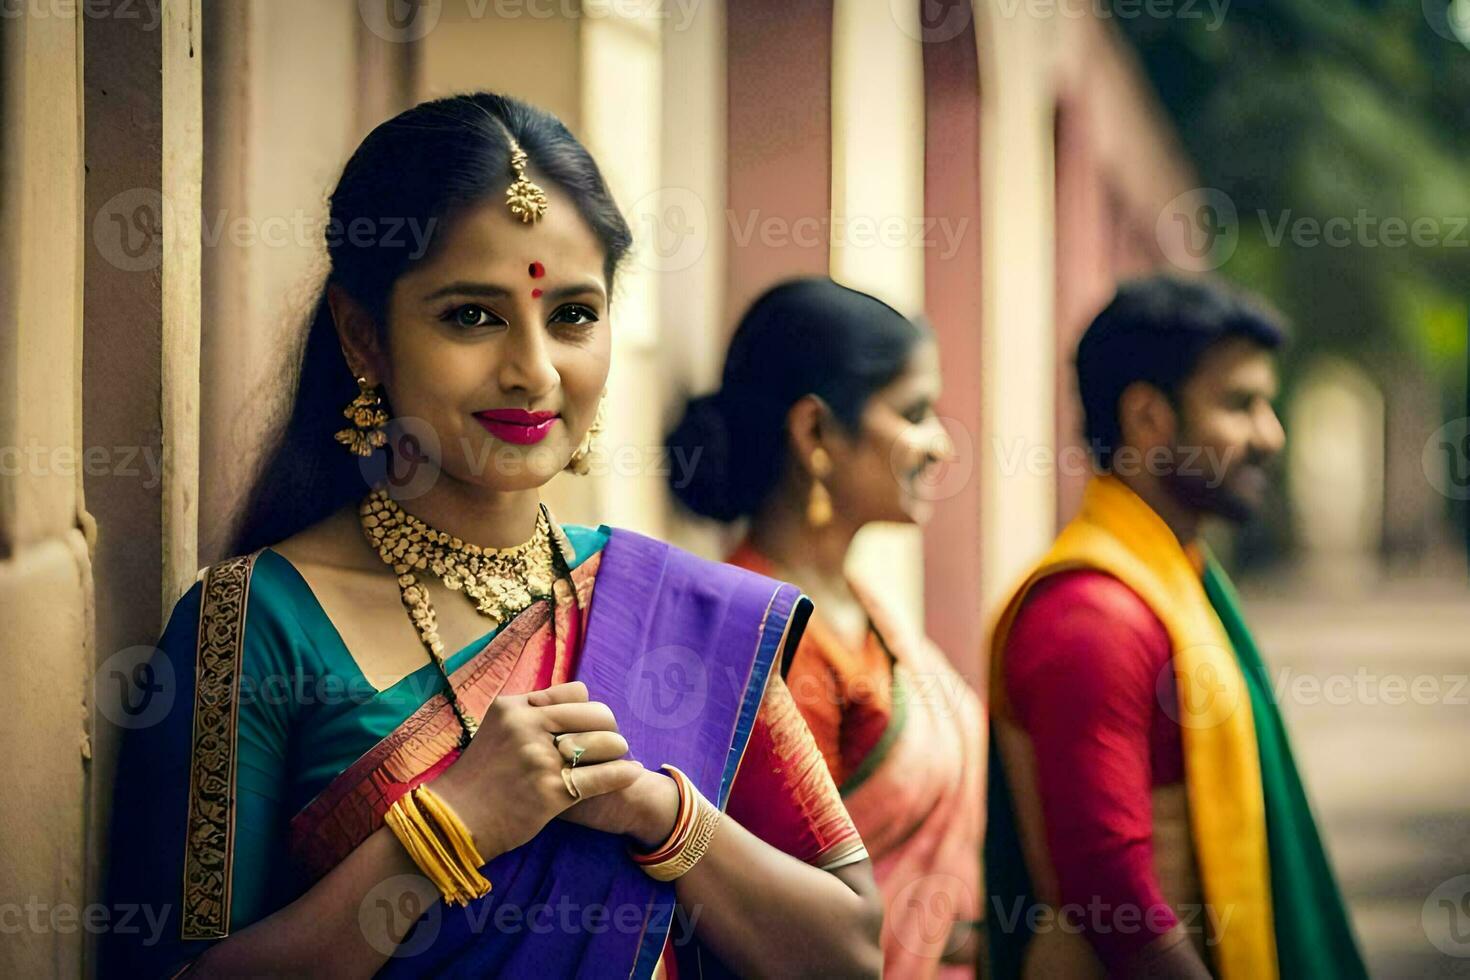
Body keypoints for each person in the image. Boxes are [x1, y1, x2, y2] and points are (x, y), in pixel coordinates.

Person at [102, 93, 885, 979]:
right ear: (364, 335)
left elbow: (851, 952)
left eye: (573, 316)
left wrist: (662, 816)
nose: (535, 371)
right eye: (472, 315)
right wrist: (445, 830)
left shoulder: (676, 611)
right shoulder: (251, 623)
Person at [984, 275, 1367, 979]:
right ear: (1148, 417)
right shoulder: (1092, 618)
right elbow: (1111, 896)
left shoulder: (1179, 582)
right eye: (1240, 404)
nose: (1269, 436)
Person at [666, 277, 986, 978]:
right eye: (915, 411)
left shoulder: (859, 602)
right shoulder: (774, 642)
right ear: (815, 432)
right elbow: (792, 912)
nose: (941, 444)